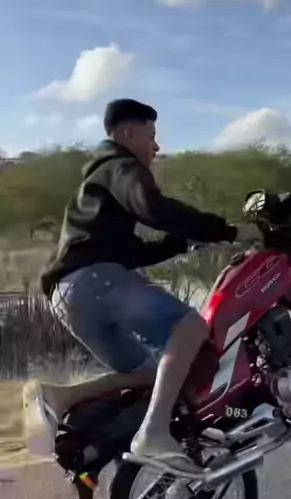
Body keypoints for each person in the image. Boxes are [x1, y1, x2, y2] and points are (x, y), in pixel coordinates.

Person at [23, 98, 262, 474]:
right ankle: (153, 433)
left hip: (69, 295)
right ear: (129, 133)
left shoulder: (97, 184)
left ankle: (59, 395)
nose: (156, 145)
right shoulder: (119, 165)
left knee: (152, 371)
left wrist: (180, 243)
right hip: (93, 280)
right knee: (190, 327)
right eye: (151, 136)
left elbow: (128, 252)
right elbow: (154, 209)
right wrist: (226, 230)